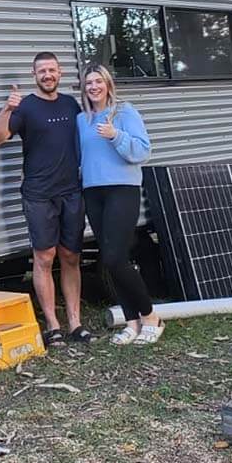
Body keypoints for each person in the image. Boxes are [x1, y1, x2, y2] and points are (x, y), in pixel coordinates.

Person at [0, 52, 90, 347]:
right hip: (38, 194)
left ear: (60, 72)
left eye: (52, 70)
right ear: (34, 75)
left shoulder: (70, 104)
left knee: (71, 256)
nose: (47, 75)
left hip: (71, 192)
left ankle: (75, 322)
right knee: (44, 257)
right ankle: (53, 325)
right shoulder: (25, 106)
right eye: (42, 70)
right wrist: (7, 109)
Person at [77, 64, 163, 345]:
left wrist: (116, 135)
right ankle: (131, 321)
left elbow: (143, 151)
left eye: (98, 81)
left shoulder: (124, 112)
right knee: (112, 259)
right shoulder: (82, 119)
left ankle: (151, 317)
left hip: (122, 190)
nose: (93, 86)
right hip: (93, 192)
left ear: (108, 84)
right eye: (89, 82)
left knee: (115, 257)